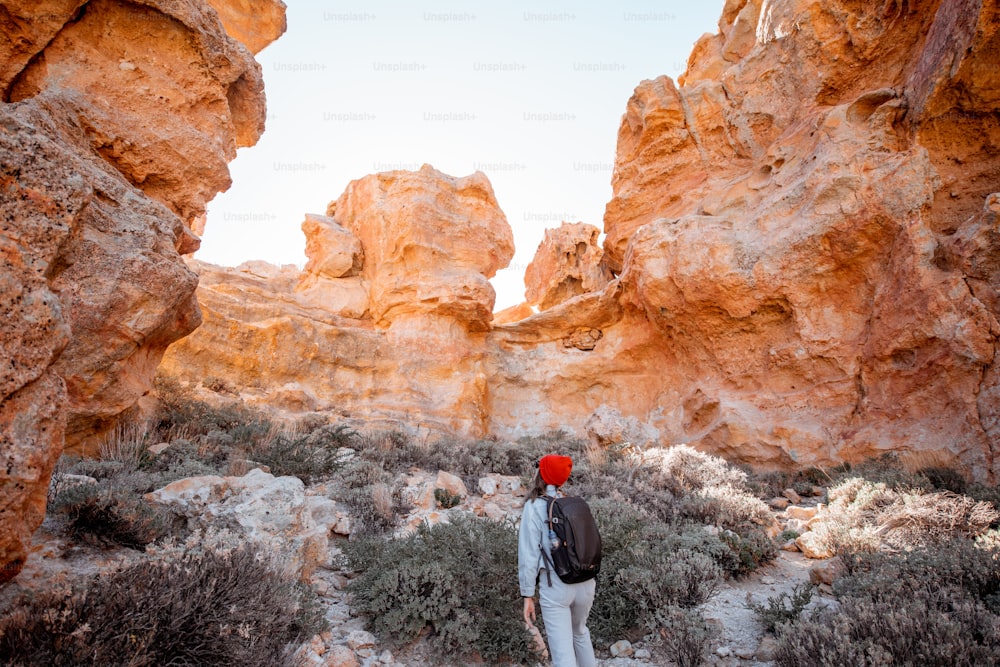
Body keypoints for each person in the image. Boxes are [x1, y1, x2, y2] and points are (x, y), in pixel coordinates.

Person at [518, 454, 597, 667]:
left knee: (563, 657)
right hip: (586, 581)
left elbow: (528, 555)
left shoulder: (534, 506)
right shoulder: (572, 502)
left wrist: (527, 594)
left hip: (557, 586)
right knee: (580, 633)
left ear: (541, 474)